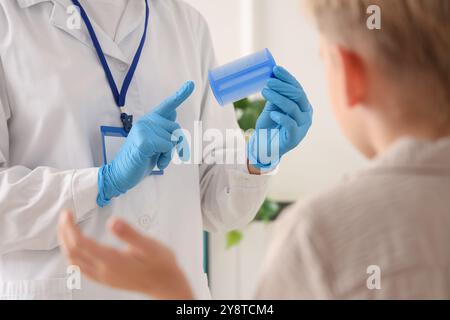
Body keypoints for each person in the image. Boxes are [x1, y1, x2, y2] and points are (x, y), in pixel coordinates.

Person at [59, 0, 450, 299]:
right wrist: (102, 181)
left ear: (349, 74)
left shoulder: (319, 235)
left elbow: (216, 203)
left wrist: (175, 292)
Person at [0, 0, 310, 299]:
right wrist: (101, 182)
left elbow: (218, 210)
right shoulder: (8, 18)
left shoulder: (187, 24)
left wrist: (257, 159)